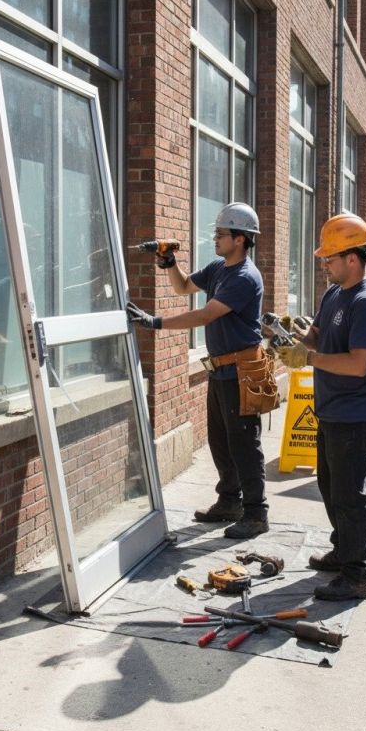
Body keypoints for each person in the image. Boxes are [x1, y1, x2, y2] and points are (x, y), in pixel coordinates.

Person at [126, 203, 269, 540]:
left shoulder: (245, 277)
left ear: (240, 239)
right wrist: (169, 263)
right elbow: (183, 287)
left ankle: (256, 513)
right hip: (221, 370)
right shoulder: (219, 268)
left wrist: (155, 322)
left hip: (243, 371)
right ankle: (230, 502)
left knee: (244, 443)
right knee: (221, 441)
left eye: (221, 234)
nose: (215, 238)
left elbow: (206, 315)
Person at [277, 213, 366, 601]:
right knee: (329, 486)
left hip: (355, 414)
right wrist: (295, 333)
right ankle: (344, 550)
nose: (324, 264)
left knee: (349, 494)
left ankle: (358, 575)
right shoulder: (335, 293)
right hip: (332, 409)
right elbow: (320, 336)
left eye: (330, 258)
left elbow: (359, 364)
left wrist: (307, 359)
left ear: (353, 258)